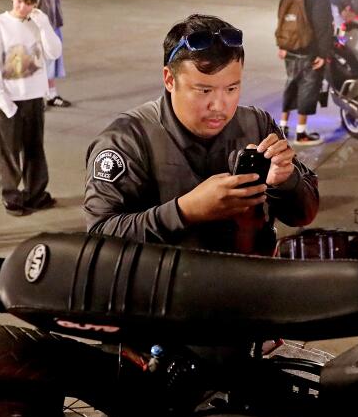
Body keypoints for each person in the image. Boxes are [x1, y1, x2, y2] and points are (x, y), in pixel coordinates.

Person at [83, 13, 318, 255]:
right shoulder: (127, 141)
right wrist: (185, 211)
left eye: (232, 88)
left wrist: (286, 182)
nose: (219, 105)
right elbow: (99, 238)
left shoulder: (256, 125)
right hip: (163, 287)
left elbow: (305, 214)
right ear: (169, 79)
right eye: (204, 90)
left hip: (249, 284)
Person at [0, 0, 63, 215]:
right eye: (18, 0)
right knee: (8, 152)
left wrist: (44, 25)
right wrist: (4, 102)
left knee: (34, 149)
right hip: (10, 99)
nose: (22, 6)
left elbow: (54, 52)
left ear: (36, 2)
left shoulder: (37, 23)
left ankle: (36, 193)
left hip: (35, 99)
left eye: (28, 2)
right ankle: (12, 197)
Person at [276, 0, 334, 146]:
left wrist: (281, 43)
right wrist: (324, 52)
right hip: (309, 48)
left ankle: (282, 128)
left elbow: (282, 11)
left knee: (290, 83)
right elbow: (323, 22)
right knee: (308, 88)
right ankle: (301, 133)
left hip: (289, 43)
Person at [30, 0, 73, 107]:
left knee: (53, 62)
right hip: (39, 29)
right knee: (41, 63)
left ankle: (51, 94)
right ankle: (40, 97)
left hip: (54, 26)